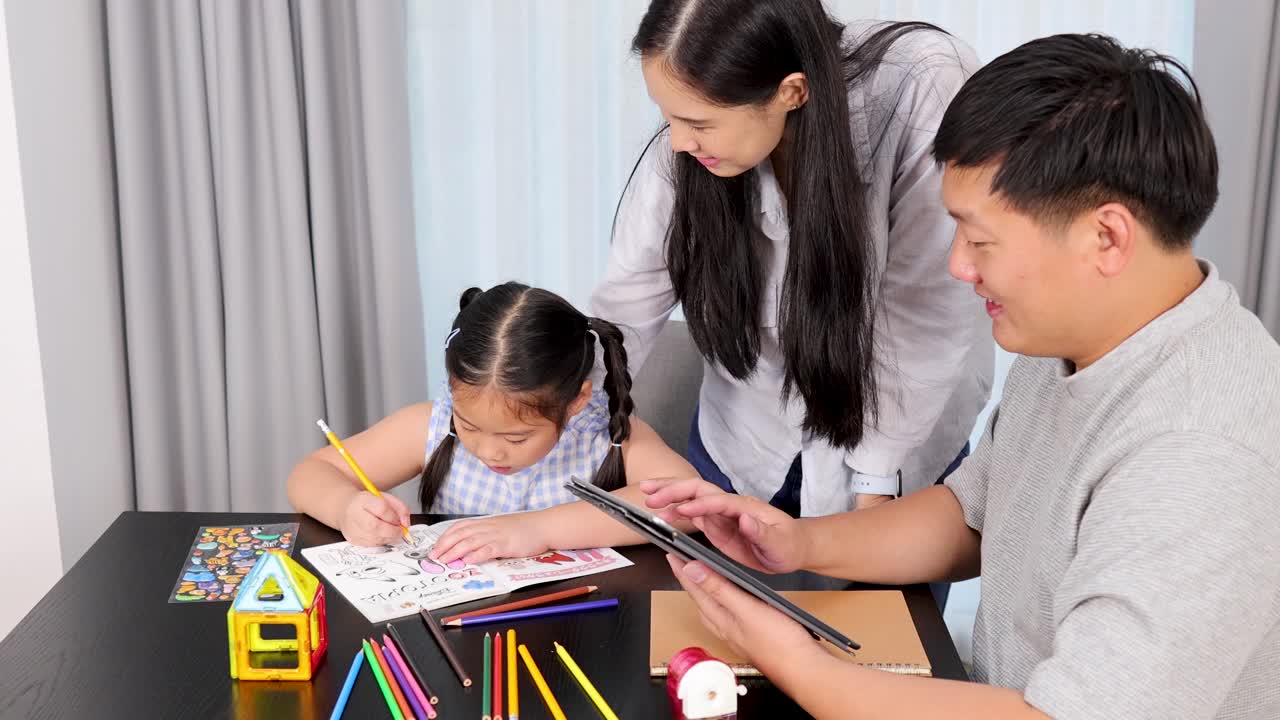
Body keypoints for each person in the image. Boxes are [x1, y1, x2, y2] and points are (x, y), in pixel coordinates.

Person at [640, 33, 1280, 719]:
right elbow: (975, 514)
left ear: (1108, 237)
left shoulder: (1201, 453)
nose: (957, 266)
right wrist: (797, 542)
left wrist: (790, 657)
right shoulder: (1075, 336)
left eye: (980, 239)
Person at [590, 0, 992, 528]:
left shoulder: (922, 86)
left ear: (791, 91)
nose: (678, 143)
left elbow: (925, 317)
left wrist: (874, 498)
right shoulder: (692, 140)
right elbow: (628, 296)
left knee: (876, 615)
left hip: (897, 453)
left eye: (697, 122)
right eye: (667, 117)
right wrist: (556, 409)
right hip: (743, 447)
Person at [286, 282, 696, 549]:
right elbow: (310, 474)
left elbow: (690, 502)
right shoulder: (433, 424)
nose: (487, 450)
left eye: (516, 438)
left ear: (574, 401)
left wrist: (538, 530)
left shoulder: (606, 434)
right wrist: (346, 508)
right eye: (469, 425)